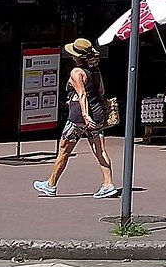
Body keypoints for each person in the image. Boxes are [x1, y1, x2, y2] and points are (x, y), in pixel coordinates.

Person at [34, 39, 119, 199]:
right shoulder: (95, 70)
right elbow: (100, 91)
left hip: (79, 117)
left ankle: (51, 185)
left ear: (76, 56)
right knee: (100, 150)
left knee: (64, 150)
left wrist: (85, 115)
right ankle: (108, 184)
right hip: (97, 114)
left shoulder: (76, 72)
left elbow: (82, 95)